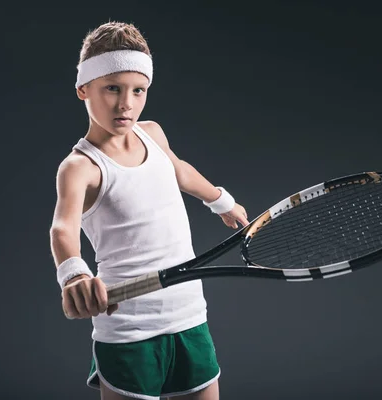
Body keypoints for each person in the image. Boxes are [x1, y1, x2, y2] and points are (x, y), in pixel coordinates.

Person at [49, 21, 249, 400]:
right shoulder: (80, 167)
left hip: (189, 316)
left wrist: (222, 201)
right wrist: (74, 276)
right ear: (82, 89)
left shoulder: (152, 133)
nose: (126, 103)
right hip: (128, 329)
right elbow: (63, 229)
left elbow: (181, 172)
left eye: (138, 91)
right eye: (112, 88)